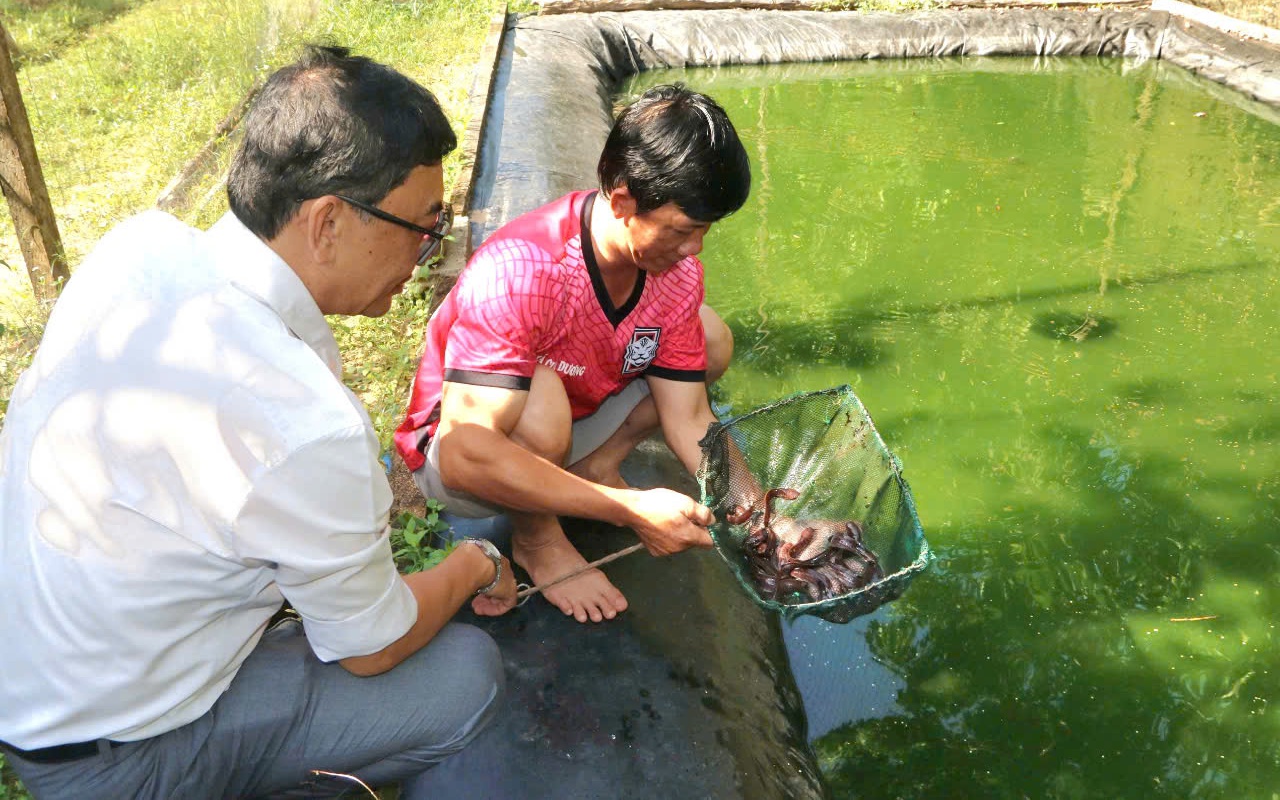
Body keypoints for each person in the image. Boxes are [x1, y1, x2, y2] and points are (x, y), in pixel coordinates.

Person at [0, 45, 515, 799]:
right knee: (463, 677)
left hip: (38, 692)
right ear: (329, 222)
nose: (425, 252)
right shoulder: (302, 422)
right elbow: (372, 649)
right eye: (423, 228)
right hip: (119, 761)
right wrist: (477, 565)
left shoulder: (142, 246)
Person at [394, 84, 751, 625]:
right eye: (683, 230)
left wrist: (757, 510)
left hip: (575, 419)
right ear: (624, 199)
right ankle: (538, 540)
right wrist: (630, 511)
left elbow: (692, 417)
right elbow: (467, 453)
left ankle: (596, 467)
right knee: (542, 398)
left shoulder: (675, 277)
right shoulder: (522, 269)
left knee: (711, 340)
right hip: (462, 457)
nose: (694, 249)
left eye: (704, 231)